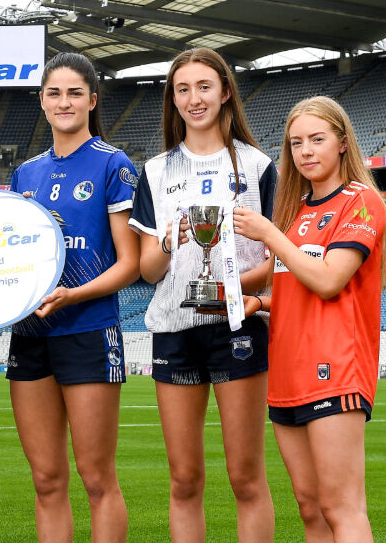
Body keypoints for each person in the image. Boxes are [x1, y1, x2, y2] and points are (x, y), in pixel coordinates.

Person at [128, 47, 276, 543]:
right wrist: (169, 242)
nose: (194, 98)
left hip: (238, 326)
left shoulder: (258, 166)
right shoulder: (155, 171)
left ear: (225, 92)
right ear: (173, 99)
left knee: (245, 477)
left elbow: (277, 261)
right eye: (183, 89)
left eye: (204, 87)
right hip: (174, 330)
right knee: (185, 479)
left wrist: (228, 288)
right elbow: (148, 271)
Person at [232, 95, 386, 543]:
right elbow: (292, 287)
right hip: (287, 371)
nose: (305, 151)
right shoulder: (296, 210)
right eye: (296, 143)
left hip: (335, 369)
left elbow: (328, 280)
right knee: (311, 508)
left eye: (317, 139)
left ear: (342, 142)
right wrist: (257, 302)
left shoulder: (361, 202)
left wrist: (269, 233)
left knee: (341, 507)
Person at [6, 52, 138, 543]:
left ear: (92, 100)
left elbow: (129, 264)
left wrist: (73, 294)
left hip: (88, 329)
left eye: (74, 93)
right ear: (41, 101)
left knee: (96, 478)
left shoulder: (112, 164)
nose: (64, 102)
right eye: (54, 93)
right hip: (30, 332)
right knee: (45, 479)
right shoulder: (26, 173)